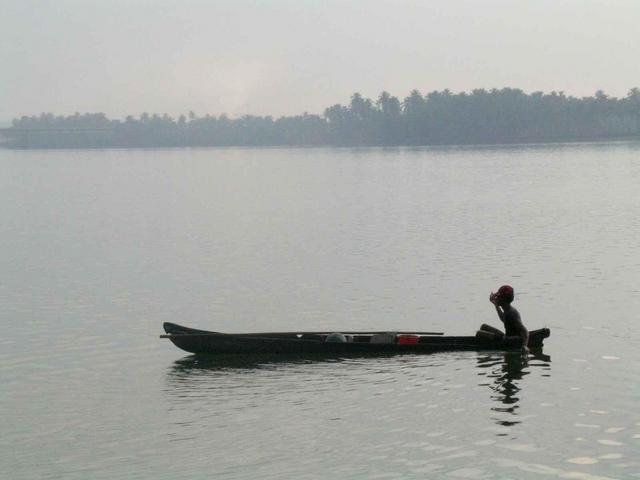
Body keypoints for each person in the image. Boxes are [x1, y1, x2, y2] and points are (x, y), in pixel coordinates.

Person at [489, 285, 529, 353]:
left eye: (498, 297)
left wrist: (525, 346)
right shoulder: (507, 310)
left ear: (503, 299)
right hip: (506, 337)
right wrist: (495, 304)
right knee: (483, 326)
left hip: (511, 340)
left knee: (480, 334)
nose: (496, 298)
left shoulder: (512, 313)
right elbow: (503, 319)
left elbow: (525, 332)